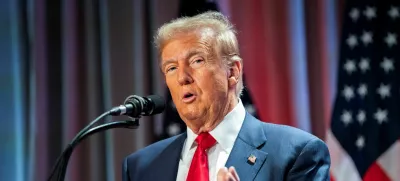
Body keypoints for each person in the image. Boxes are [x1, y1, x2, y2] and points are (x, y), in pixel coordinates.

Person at [122, 11, 331, 181]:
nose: (182, 78)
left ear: (232, 71)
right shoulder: (141, 167)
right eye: (171, 68)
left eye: (197, 61)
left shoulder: (297, 154)